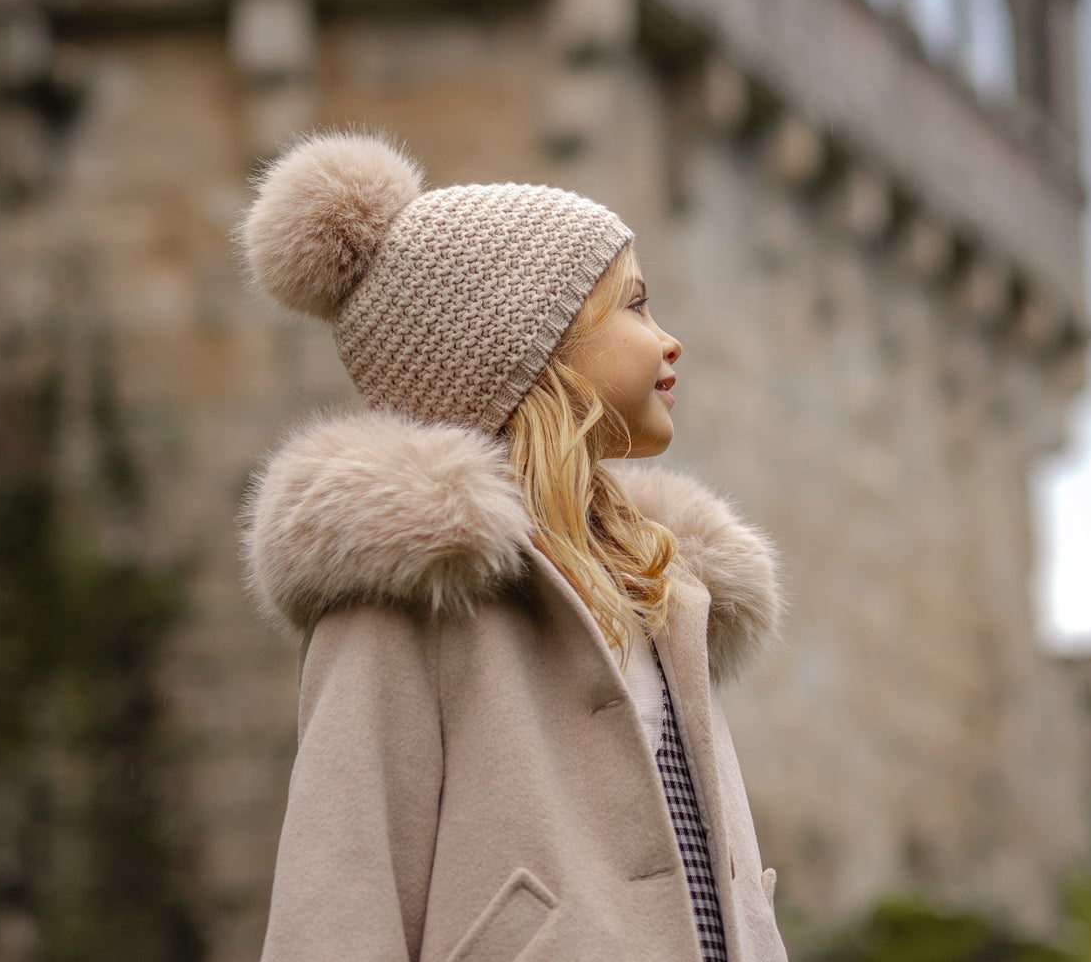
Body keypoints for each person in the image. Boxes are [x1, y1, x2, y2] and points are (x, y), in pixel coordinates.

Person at [238, 128, 789, 962]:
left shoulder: (659, 590)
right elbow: (337, 904)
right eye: (634, 306)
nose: (668, 339)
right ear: (532, 347)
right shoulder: (404, 602)